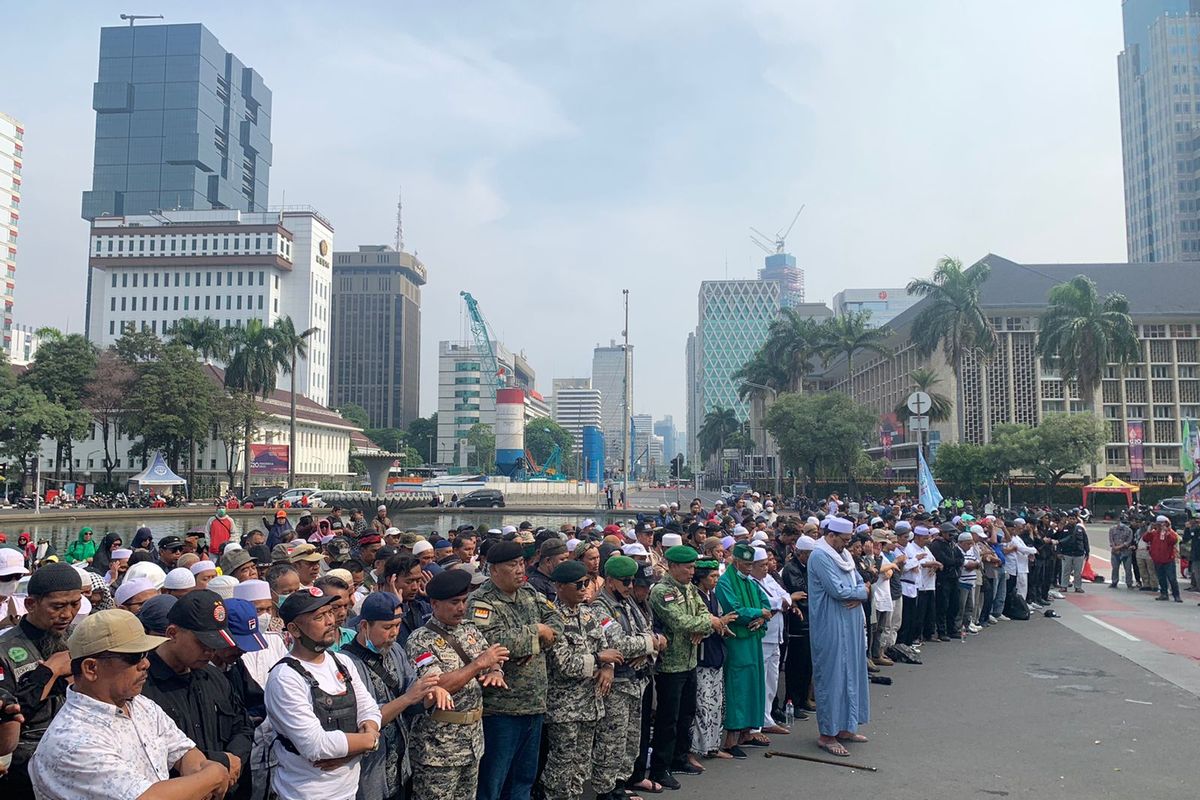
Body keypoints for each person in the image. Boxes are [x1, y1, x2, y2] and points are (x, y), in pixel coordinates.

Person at [28, 609, 230, 799]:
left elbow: (183, 752)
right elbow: (146, 797)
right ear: (91, 668)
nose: (145, 663)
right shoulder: (71, 740)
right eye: (133, 657)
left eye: (145, 654)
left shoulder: (140, 705)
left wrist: (200, 772)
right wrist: (214, 774)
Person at [265, 587, 383, 800]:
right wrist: (369, 741)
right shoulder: (285, 678)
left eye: (330, 612)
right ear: (294, 629)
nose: (330, 621)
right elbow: (315, 745)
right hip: (305, 794)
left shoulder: (342, 662)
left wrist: (360, 742)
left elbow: (370, 710)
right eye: (319, 617)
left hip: (349, 790)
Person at [467, 540, 560, 800]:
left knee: (524, 779)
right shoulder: (482, 602)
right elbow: (490, 640)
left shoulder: (529, 592)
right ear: (494, 570)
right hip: (502, 709)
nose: (520, 570)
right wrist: (537, 632)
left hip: (534, 703)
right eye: (512, 565)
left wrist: (541, 635)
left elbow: (556, 621)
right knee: (493, 780)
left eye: (521, 563)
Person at [138, 589, 253, 797]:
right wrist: (216, 764)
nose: (210, 652)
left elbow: (242, 725)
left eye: (215, 645)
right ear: (172, 633)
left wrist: (234, 758)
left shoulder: (214, 677)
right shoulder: (141, 687)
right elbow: (147, 756)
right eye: (202, 643)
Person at [407, 568, 509, 800]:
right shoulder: (421, 639)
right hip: (439, 747)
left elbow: (492, 658)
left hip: (472, 740)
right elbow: (436, 685)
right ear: (434, 604)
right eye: (454, 602)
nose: (461, 608)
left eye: (464, 601)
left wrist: (495, 670)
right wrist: (478, 664)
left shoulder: (469, 629)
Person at [342, 592, 445, 800]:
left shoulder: (395, 650)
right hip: (370, 771)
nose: (394, 633)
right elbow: (363, 720)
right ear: (364, 626)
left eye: (397, 626)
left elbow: (411, 695)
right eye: (387, 627)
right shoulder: (347, 663)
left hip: (399, 766)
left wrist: (429, 694)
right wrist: (408, 698)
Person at [648, 545, 727, 790]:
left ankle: (680, 758)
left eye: (693, 567)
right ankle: (661, 768)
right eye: (687, 567)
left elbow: (702, 614)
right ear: (672, 567)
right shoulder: (663, 591)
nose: (692, 571)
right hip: (671, 664)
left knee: (686, 714)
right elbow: (679, 621)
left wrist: (703, 626)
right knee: (667, 719)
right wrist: (709, 623)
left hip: (689, 660)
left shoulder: (690, 590)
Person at [0, 563, 82, 795]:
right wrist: (49, 672)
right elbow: (11, 714)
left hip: (78, 750)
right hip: (25, 759)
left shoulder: (78, 639)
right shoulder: (4, 650)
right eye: (57, 607)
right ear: (30, 604)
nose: (67, 614)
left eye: (74, 604)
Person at [590, 555, 663, 799]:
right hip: (617, 685)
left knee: (631, 740)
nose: (630, 586)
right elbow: (618, 643)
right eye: (625, 582)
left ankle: (620, 784)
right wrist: (649, 643)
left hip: (636, 680)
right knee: (612, 741)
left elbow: (647, 631)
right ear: (609, 581)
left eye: (632, 581)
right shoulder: (600, 606)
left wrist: (647, 646)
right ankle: (606, 789)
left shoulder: (629, 602)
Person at [541, 560, 615, 800]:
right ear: (560, 587)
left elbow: (606, 647)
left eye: (586, 583)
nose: (585, 588)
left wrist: (607, 667)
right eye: (579, 584)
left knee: (581, 763)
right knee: (561, 763)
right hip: (564, 707)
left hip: (591, 702)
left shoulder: (588, 613)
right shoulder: (554, 618)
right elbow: (564, 665)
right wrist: (598, 658)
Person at [806, 517, 870, 758]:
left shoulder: (844, 555)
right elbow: (838, 590)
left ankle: (846, 727)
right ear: (830, 535)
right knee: (832, 676)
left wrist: (861, 591)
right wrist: (861, 593)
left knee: (852, 671)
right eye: (843, 540)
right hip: (830, 623)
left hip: (850, 622)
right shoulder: (820, 556)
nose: (846, 544)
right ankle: (827, 734)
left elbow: (861, 580)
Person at [715, 543, 770, 755]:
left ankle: (748, 731)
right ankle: (731, 740)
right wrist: (759, 613)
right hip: (737, 642)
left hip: (753, 640)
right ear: (736, 561)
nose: (749, 568)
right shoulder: (725, 582)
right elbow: (734, 609)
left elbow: (766, 606)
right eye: (746, 564)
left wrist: (761, 619)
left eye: (751, 564)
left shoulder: (751, 582)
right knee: (737, 688)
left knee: (754, 685)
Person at [689, 558, 727, 760]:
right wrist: (713, 624)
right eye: (712, 576)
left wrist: (722, 625)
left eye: (716, 576)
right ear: (701, 578)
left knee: (716, 703)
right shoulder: (695, 596)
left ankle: (713, 745)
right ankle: (696, 749)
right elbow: (698, 626)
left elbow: (718, 621)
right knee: (702, 705)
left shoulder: (713, 596)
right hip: (702, 656)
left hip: (716, 653)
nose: (715, 580)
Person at [1144, 517, 1183, 603]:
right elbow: (1145, 538)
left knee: (1172, 578)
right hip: (1157, 559)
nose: (1159, 525)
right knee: (1161, 578)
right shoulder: (1154, 533)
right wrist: (1149, 530)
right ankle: (1164, 593)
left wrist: (1167, 532)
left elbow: (1174, 540)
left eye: (1161, 523)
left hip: (1168, 560)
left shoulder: (1170, 532)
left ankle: (1176, 595)